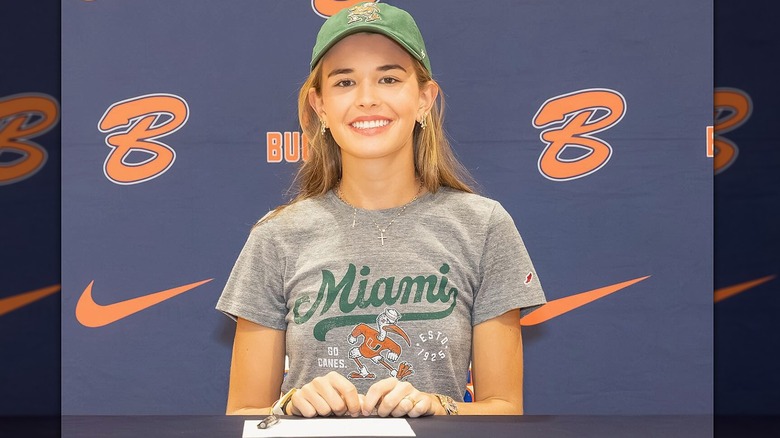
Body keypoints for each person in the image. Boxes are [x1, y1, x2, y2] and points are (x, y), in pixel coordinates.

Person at [216, 2, 546, 418]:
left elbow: (504, 409)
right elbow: (243, 411)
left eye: (388, 78)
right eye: (344, 82)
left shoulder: (483, 226)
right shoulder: (276, 236)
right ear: (320, 108)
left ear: (425, 99)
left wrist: (436, 406)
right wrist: (290, 405)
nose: (367, 99)